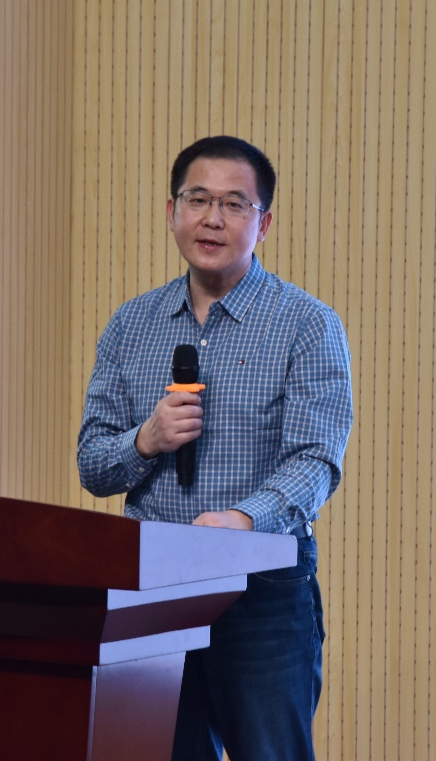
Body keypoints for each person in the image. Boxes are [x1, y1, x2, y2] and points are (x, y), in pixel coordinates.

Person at [78, 135, 353, 760]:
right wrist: (146, 439)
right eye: (197, 199)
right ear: (171, 210)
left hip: (262, 589)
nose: (212, 218)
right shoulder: (131, 324)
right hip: (152, 587)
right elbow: (93, 462)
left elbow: (316, 460)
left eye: (234, 204)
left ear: (264, 223)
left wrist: (242, 522)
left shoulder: (306, 324)